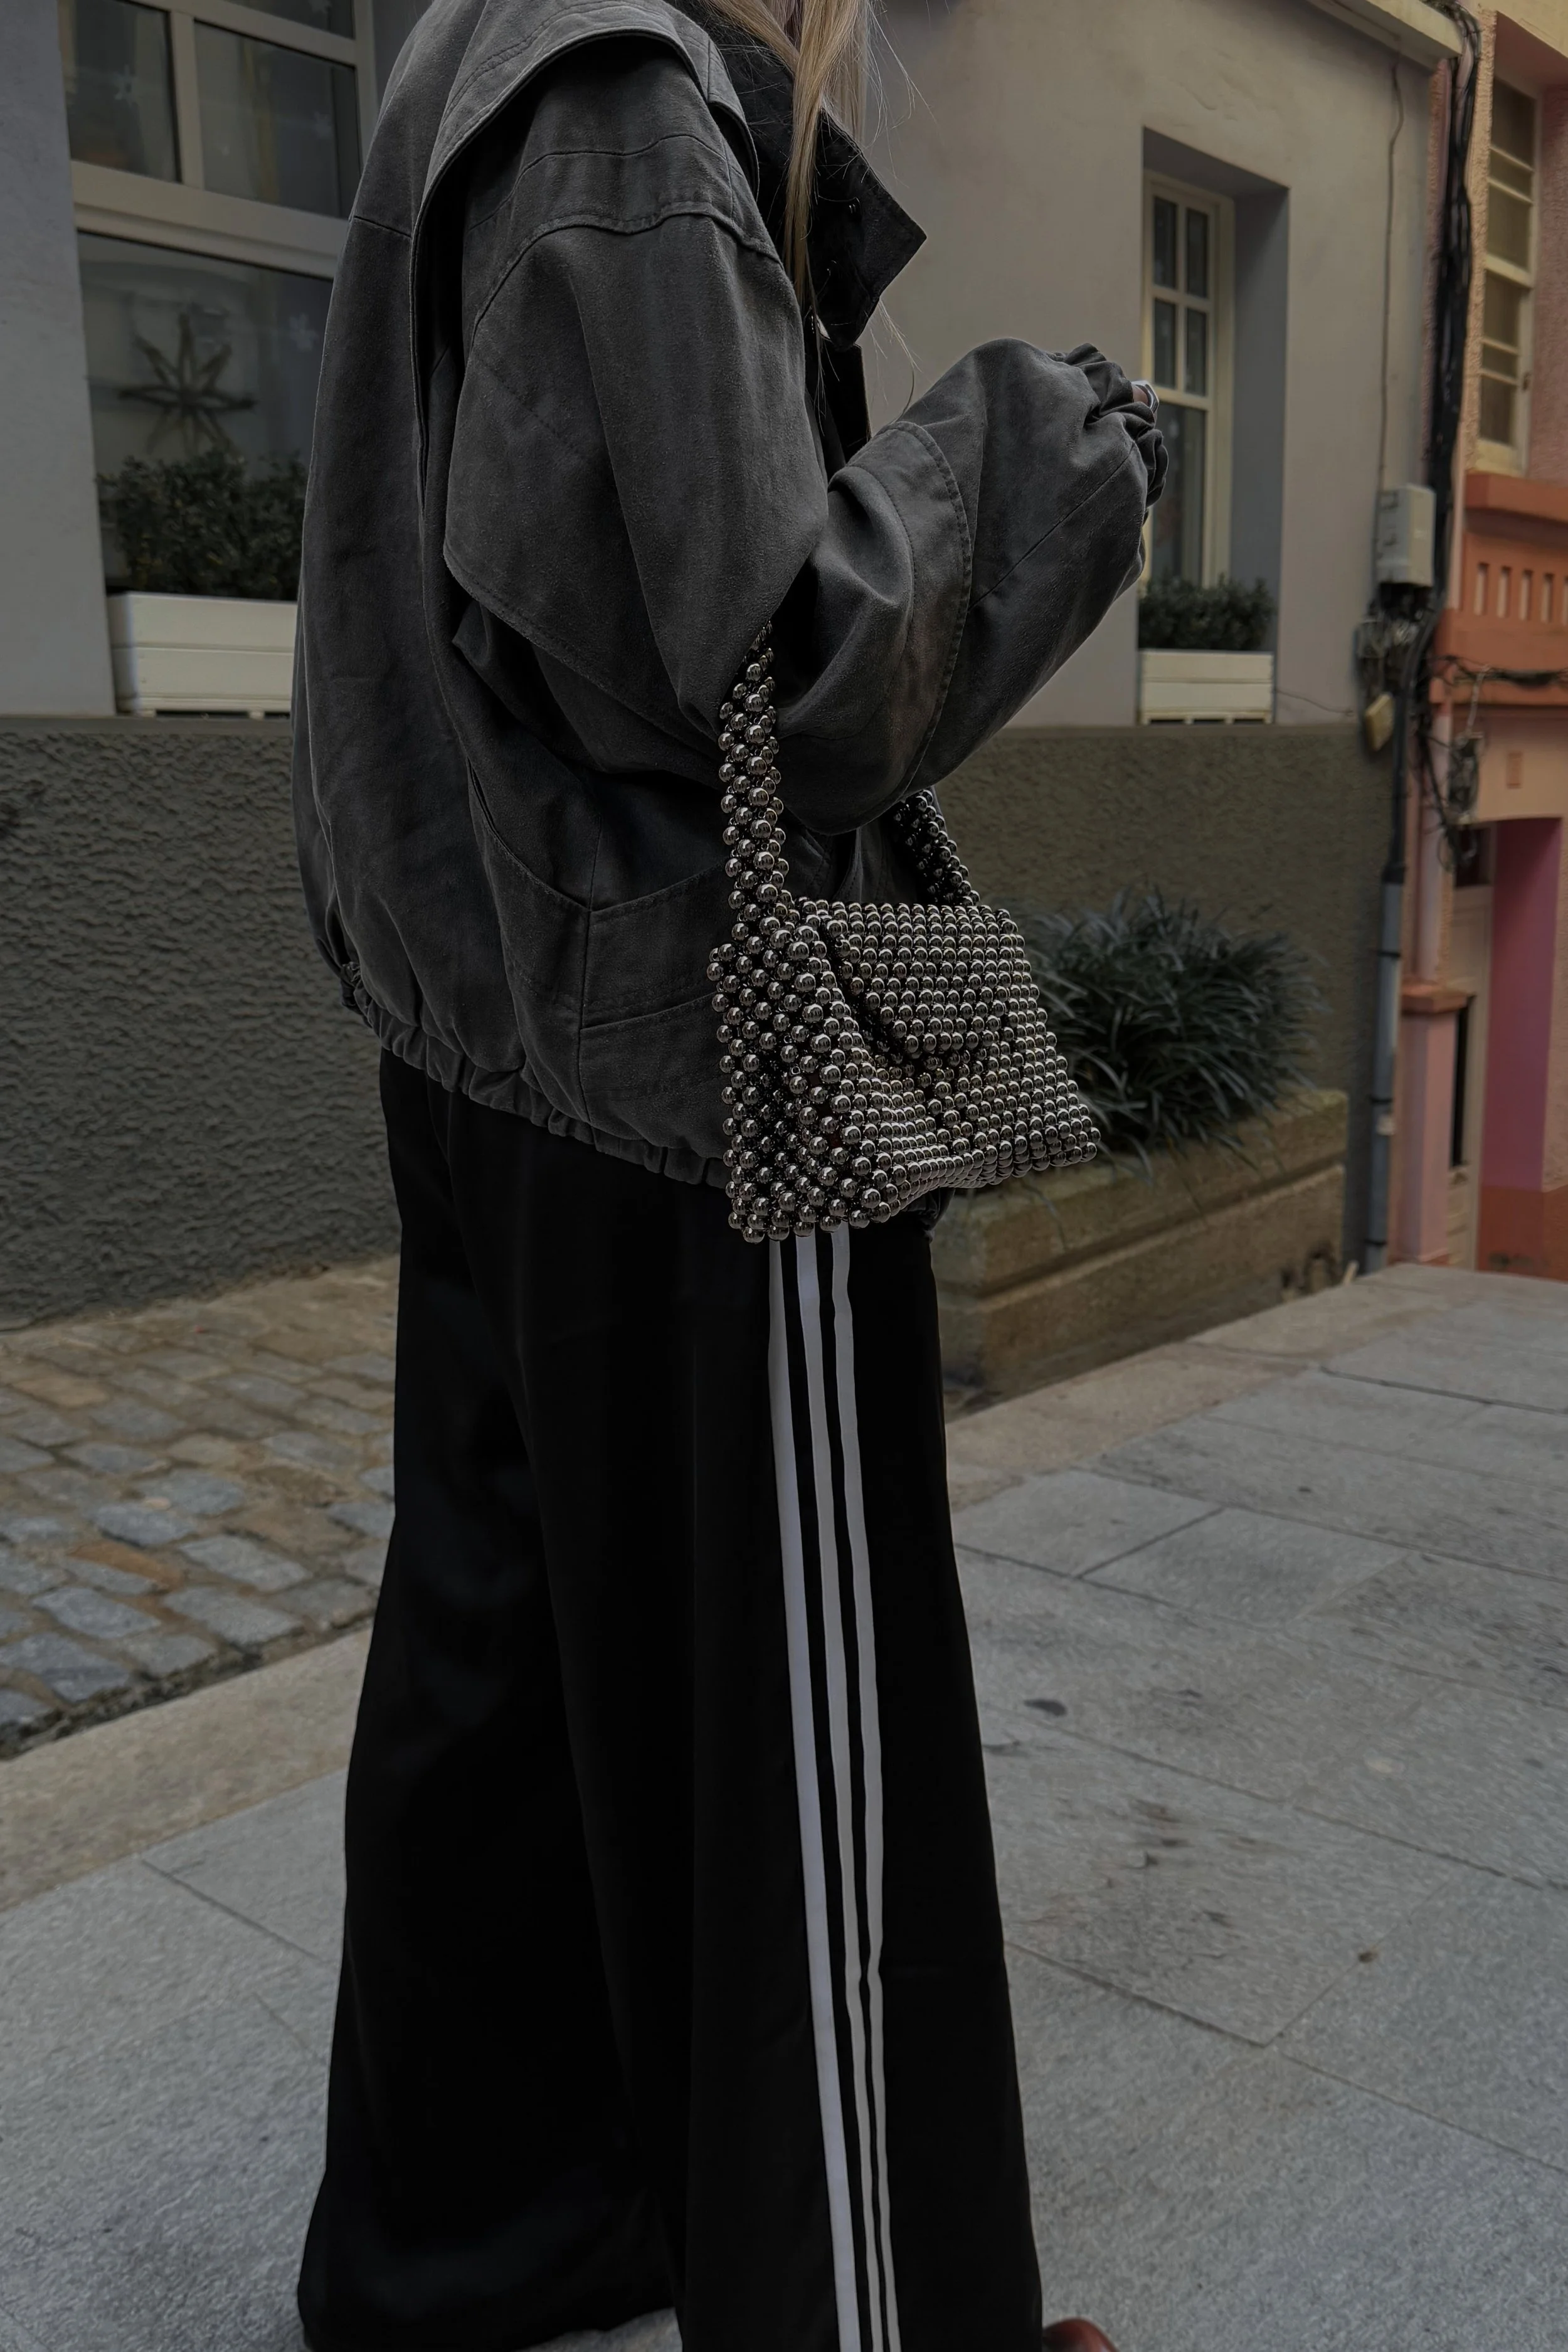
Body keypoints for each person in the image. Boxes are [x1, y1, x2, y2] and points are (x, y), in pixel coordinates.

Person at [291, 1, 1164, 2347]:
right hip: (694, 1050)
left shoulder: (469, 57)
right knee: (804, 1721)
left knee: (507, 1658)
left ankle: (468, 2239)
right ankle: (878, 2311)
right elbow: (777, 657)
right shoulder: (620, 104)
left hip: (483, 1005)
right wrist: (1059, 444)